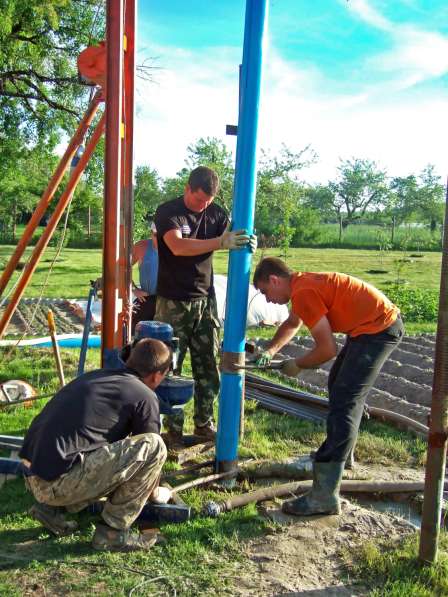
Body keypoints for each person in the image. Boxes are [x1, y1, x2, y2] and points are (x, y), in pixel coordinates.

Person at [253, 257, 404, 517]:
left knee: (345, 399)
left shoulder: (304, 292)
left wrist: (297, 364)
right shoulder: (301, 284)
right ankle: (343, 456)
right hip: (368, 328)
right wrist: (270, 350)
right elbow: (292, 324)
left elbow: (327, 349)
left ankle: (324, 495)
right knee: (338, 386)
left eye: (265, 291)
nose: (267, 300)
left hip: (379, 329)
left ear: (275, 280)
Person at [19, 338, 172, 552]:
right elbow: (145, 455)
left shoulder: (97, 375)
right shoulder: (144, 395)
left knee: (96, 449)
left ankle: (51, 510)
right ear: (158, 375)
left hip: (32, 475)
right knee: (155, 446)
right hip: (57, 485)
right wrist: (157, 493)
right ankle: (112, 533)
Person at [154, 166, 256, 445]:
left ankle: (203, 424)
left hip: (204, 300)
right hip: (172, 301)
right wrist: (221, 242)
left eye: (208, 202)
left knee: (208, 366)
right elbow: (177, 246)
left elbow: (235, 233)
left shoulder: (217, 213)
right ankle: (172, 431)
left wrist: (247, 241)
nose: (203, 206)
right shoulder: (168, 212)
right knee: (169, 366)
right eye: (199, 200)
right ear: (187, 188)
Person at [131, 220, 159, 334]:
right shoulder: (141, 247)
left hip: (168, 300)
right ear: (151, 233)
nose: (159, 239)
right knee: (136, 336)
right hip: (146, 298)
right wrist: (133, 289)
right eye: (156, 235)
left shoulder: (173, 248)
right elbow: (122, 269)